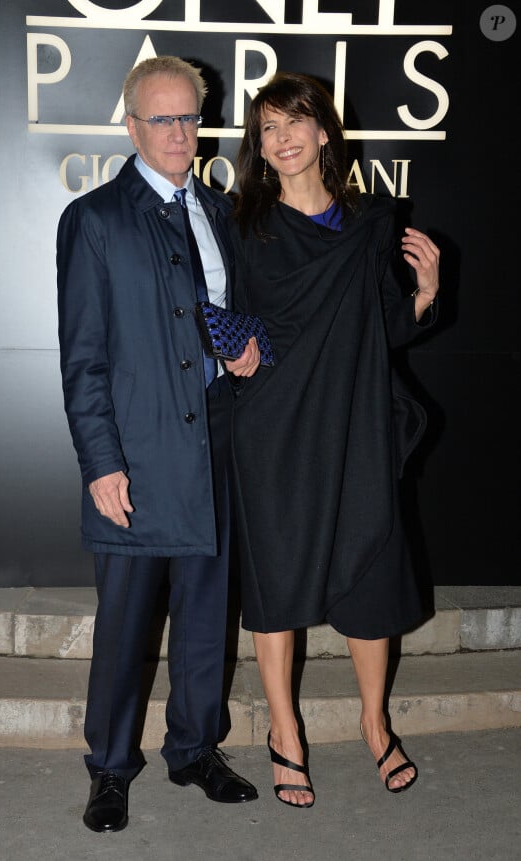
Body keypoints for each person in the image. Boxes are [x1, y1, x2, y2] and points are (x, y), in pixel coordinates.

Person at [56, 56, 260, 833]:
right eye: (161, 119)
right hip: (136, 455)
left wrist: (243, 351)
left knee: (208, 613)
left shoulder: (220, 210)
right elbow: (84, 356)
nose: (177, 133)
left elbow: (222, 314)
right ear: (132, 126)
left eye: (188, 118)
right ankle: (109, 767)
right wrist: (100, 461)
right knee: (125, 624)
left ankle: (195, 748)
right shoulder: (97, 219)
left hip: (215, 438)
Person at [230, 71, 440, 807]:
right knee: (276, 579)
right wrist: (231, 349)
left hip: (354, 421)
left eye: (294, 123)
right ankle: (285, 734)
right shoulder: (243, 225)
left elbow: (384, 329)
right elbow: (214, 314)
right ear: (257, 144)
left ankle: (374, 723)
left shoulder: (369, 225)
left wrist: (424, 293)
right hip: (275, 424)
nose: (280, 139)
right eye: (266, 129)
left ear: (324, 131)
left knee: (372, 570)